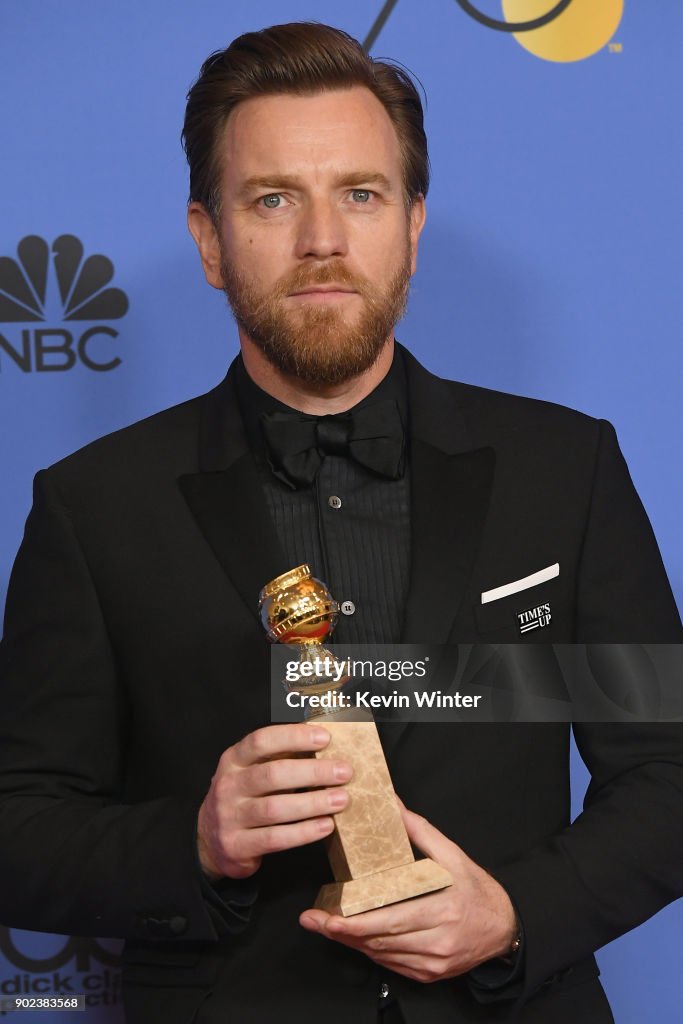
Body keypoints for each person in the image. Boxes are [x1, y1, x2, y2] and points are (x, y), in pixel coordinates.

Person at [0, 21, 681, 1024]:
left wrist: (514, 912)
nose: (320, 238)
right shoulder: (95, 504)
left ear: (410, 224)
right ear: (208, 239)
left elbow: (665, 773)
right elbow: (20, 826)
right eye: (273, 198)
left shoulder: (563, 468)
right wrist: (194, 841)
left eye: (359, 194)